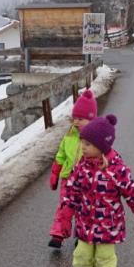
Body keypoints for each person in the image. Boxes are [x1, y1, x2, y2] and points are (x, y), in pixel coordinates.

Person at [58, 115, 134, 267]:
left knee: (104, 256)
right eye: (82, 143)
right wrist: (65, 217)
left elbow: (132, 193)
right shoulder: (81, 167)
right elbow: (71, 192)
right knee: (81, 254)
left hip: (108, 224)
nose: (83, 147)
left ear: (101, 146)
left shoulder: (116, 169)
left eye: (88, 144)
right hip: (85, 222)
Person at [48, 89, 98, 248]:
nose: (76, 122)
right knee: (64, 205)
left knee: (84, 208)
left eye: (80, 119)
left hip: (86, 180)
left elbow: (102, 158)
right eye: (74, 118)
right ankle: (58, 233)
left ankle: (82, 234)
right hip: (68, 179)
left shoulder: (95, 139)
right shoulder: (69, 135)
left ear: (91, 119)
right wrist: (55, 172)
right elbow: (61, 154)